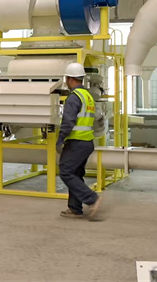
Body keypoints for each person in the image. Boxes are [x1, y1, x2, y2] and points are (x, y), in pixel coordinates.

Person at [57, 62, 102, 220]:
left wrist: (60, 139)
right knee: (75, 173)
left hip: (76, 141)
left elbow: (68, 121)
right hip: (87, 142)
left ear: (70, 79)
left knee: (66, 171)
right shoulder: (88, 97)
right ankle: (75, 209)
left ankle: (92, 199)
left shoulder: (74, 97)